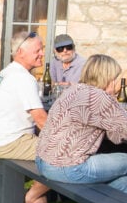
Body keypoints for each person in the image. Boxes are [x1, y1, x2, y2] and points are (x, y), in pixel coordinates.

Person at [0, 31, 59, 203]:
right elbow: (41, 120)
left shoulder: (6, 72)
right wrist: (66, 139)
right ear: (20, 52)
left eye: (42, 49)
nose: (42, 53)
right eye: (38, 50)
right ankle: (27, 200)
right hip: (9, 141)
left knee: (50, 150)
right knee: (66, 156)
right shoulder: (23, 79)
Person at [36, 55, 127, 190]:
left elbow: (116, 135)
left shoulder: (75, 89)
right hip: (68, 167)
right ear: (110, 77)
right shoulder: (99, 97)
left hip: (43, 161)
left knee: (121, 181)